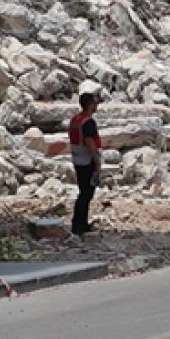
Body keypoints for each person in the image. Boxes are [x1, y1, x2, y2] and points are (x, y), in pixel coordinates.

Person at [69, 92, 103, 236]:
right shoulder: (88, 122)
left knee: (83, 192)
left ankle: (80, 223)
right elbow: (89, 142)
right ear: (89, 104)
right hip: (87, 160)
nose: (96, 106)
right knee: (87, 194)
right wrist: (97, 161)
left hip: (78, 159)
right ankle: (79, 225)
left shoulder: (75, 120)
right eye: (95, 103)